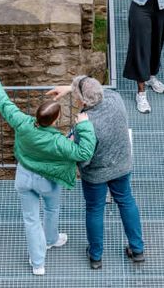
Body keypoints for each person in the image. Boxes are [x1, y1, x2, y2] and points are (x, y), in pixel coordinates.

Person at [0, 64, 96, 276]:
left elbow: (4, 103)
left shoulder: (23, 123)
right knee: (52, 210)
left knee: (31, 220)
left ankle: (38, 264)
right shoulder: (58, 143)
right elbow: (84, 153)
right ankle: (51, 239)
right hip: (48, 181)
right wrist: (84, 126)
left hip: (24, 177)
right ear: (54, 120)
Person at [48, 76, 145, 270]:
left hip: (96, 175)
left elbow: (84, 158)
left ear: (82, 102)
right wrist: (70, 88)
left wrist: (74, 139)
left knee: (94, 209)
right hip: (121, 165)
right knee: (126, 201)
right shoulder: (115, 99)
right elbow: (94, 89)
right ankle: (137, 250)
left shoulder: (85, 124)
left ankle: (96, 256)